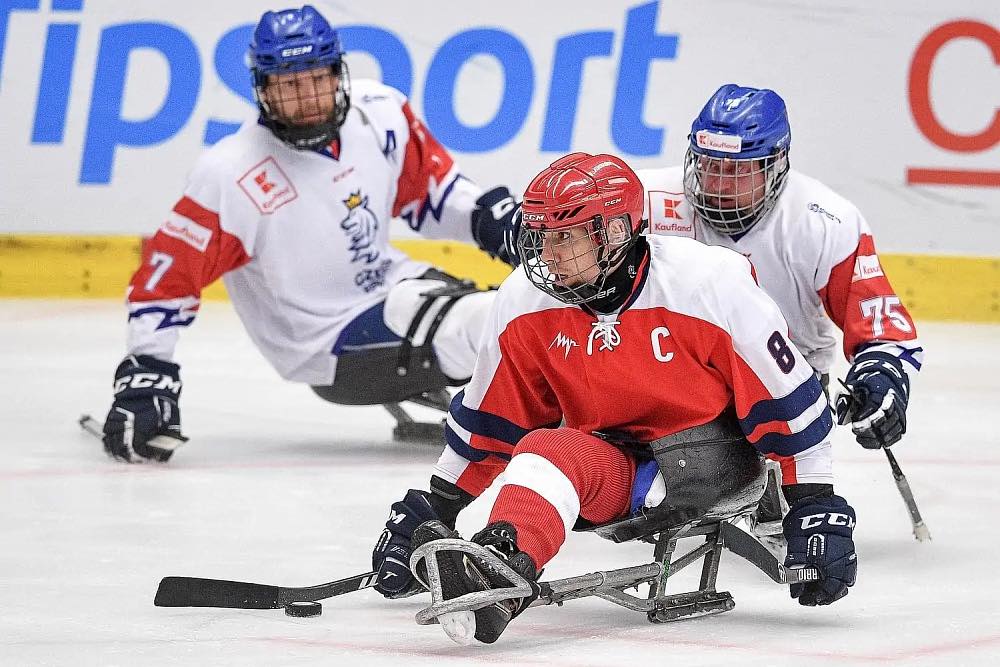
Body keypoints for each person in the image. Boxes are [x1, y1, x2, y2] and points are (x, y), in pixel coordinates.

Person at [371, 153, 858, 645]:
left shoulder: (710, 285)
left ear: (616, 232)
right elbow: (490, 421)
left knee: (563, 449)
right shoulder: (523, 300)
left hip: (715, 460)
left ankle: (498, 572)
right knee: (547, 449)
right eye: (540, 237)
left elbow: (790, 406)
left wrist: (815, 505)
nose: (547, 255)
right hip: (615, 463)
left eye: (565, 237)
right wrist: (435, 508)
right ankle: (498, 571)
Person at [101, 5, 519, 463]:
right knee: (495, 324)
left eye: (318, 78)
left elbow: (433, 194)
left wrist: (497, 223)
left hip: (401, 287)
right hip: (326, 338)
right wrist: (147, 374)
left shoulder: (379, 113)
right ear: (263, 89)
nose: (308, 98)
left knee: (522, 303)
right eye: (290, 85)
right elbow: (166, 281)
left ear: (338, 73)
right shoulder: (230, 173)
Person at [637, 83, 923, 535]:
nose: (717, 184)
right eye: (709, 166)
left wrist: (880, 376)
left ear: (775, 165)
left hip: (785, 378)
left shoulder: (824, 221)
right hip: (673, 371)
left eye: (737, 171)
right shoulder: (646, 199)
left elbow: (877, 322)